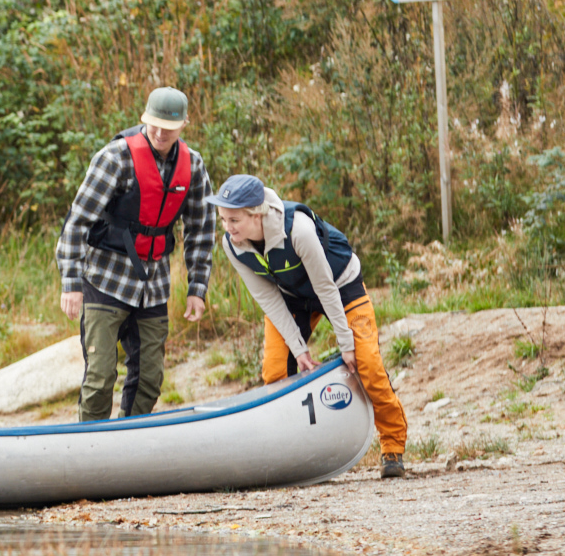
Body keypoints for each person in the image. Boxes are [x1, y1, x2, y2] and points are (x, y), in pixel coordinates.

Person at [207, 172, 413, 478]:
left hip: (340, 285)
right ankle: (290, 449)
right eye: (223, 219)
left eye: (234, 220)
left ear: (256, 214)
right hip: (292, 297)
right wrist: (299, 349)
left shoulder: (298, 230)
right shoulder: (232, 244)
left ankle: (392, 445)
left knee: (367, 362)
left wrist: (346, 344)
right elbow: (267, 298)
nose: (227, 228)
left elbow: (326, 288)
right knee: (275, 372)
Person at [55, 87, 213, 419]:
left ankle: (129, 433)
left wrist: (197, 288)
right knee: (100, 378)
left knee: (150, 380)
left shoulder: (193, 165)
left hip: (153, 284)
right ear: (144, 118)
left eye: (169, 128)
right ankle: (91, 441)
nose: (160, 133)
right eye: (154, 124)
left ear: (185, 124)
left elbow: (201, 229)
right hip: (105, 279)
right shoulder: (115, 157)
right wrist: (71, 283)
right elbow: (78, 220)